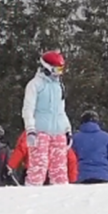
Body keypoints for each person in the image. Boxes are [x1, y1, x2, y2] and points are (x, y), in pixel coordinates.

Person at [21, 50, 72, 186]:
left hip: (58, 131)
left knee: (60, 171)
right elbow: (28, 109)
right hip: (40, 131)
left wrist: (67, 130)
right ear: (47, 67)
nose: (59, 73)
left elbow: (62, 110)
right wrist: (30, 129)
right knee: (38, 168)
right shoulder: (35, 85)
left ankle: (61, 199)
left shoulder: (59, 86)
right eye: (57, 69)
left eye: (61, 69)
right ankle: (31, 195)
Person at [7, 129, 79, 184]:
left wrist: (11, 166)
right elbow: (70, 158)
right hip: (51, 173)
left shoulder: (31, 132)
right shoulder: (57, 133)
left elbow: (21, 149)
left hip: (33, 170)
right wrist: (72, 179)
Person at [71, 111, 108, 184]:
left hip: (81, 176)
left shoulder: (75, 138)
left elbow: (71, 158)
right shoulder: (106, 137)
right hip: (103, 175)